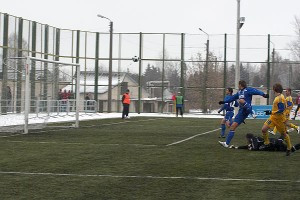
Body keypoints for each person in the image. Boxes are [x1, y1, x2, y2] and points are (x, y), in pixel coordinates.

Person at [218, 80, 269, 148]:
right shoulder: (239, 92)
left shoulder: (248, 90)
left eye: (238, 85)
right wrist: (224, 101)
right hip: (241, 112)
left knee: (241, 100)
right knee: (232, 127)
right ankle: (226, 144)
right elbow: (232, 98)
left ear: (240, 85)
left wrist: (263, 94)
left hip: (247, 109)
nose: (238, 86)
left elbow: (256, 91)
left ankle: (252, 113)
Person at [261, 83, 293, 156]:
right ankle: (267, 143)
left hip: (280, 120)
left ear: (275, 89)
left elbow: (281, 110)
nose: (272, 89)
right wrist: (271, 113)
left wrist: (270, 112)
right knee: (264, 129)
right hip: (273, 118)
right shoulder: (277, 97)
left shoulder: (280, 98)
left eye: (273, 88)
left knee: (284, 134)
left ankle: (289, 148)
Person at [229, 133, 300, 152]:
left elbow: (255, 148)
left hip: (274, 145)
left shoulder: (254, 139)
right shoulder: (255, 140)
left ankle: (284, 135)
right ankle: (283, 135)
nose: (247, 141)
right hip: (274, 142)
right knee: (290, 149)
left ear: (249, 138)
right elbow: (248, 146)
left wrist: (251, 148)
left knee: (290, 150)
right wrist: (237, 147)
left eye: (247, 139)